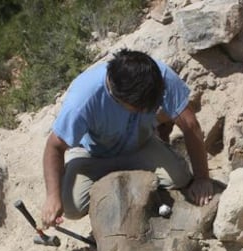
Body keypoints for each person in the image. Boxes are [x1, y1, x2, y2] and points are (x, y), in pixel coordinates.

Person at [41, 49, 214, 229]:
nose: (145, 110)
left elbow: (190, 125)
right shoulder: (83, 99)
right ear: (119, 98)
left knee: (180, 178)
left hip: (140, 144)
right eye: (140, 108)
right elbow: (54, 146)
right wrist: (52, 197)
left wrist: (202, 177)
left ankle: (144, 173)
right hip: (93, 154)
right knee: (71, 207)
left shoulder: (160, 77)